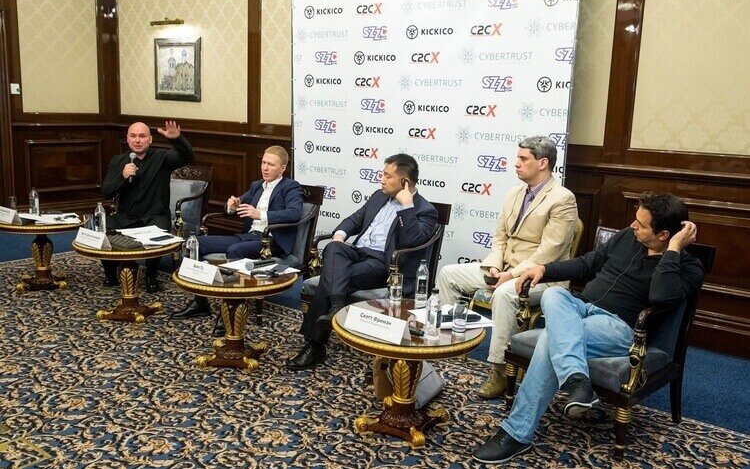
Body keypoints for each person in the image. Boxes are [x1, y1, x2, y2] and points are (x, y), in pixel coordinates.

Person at [473, 193, 704, 464]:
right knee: (553, 295)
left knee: (550, 339)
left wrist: (673, 249)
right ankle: (577, 380)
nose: (632, 226)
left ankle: (516, 433)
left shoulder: (688, 267)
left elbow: (662, 296)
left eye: (641, 225)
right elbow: (587, 264)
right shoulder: (627, 238)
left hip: (617, 327)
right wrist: (544, 269)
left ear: (664, 234)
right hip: (579, 309)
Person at [435, 136, 577, 399]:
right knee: (448, 275)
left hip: (543, 277)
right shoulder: (514, 193)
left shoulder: (562, 199)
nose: (516, 164)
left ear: (543, 163)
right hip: (505, 268)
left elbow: (550, 251)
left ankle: (499, 369)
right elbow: (500, 237)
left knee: (504, 294)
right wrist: (493, 266)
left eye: (523, 159)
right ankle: (451, 345)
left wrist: (510, 275)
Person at [287, 153, 438, 371]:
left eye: (387, 176)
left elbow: (411, 240)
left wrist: (407, 206)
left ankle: (315, 345)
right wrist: (340, 234)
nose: (381, 180)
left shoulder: (425, 210)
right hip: (357, 252)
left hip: (383, 264)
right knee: (333, 247)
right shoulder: (379, 196)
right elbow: (355, 219)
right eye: (382, 174)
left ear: (405, 182)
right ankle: (337, 305)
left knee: (331, 277)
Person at [171, 145, 303, 322]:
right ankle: (200, 303)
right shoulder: (257, 186)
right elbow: (236, 205)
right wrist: (231, 206)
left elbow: (295, 213)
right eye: (263, 163)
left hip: (270, 241)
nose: (265, 168)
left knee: (235, 250)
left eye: (270, 164)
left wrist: (261, 214)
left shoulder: (290, 187)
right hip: (247, 236)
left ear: (282, 168)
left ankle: (232, 308)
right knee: (197, 242)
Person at [101, 120, 195, 293]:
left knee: (160, 228)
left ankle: (151, 275)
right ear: (127, 139)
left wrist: (177, 139)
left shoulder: (162, 157)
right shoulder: (118, 160)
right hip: (125, 216)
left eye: (142, 136)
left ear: (150, 139)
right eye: (133, 136)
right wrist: (122, 176)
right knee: (103, 227)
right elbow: (106, 192)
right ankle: (111, 273)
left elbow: (188, 157)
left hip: (154, 215)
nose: (137, 140)